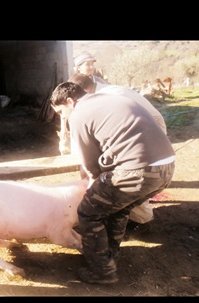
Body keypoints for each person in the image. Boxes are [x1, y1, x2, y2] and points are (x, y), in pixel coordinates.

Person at [50, 82, 175, 284]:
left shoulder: (79, 114)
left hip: (138, 169)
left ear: (70, 101)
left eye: (61, 112)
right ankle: (109, 255)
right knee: (119, 208)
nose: (63, 117)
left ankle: (101, 271)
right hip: (166, 167)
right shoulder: (110, 98)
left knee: (89, 213)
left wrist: (91, 186)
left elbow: (89, 163)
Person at [68, 73, 167, 234]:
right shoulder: (100, 95)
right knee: (120, 174)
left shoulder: (108, 95)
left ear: (84, 90)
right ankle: (124, 215)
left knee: (131, 175)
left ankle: (141, 221)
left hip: (146, 131)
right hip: (138, 131)